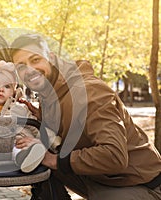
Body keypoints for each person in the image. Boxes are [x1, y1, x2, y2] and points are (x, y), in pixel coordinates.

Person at [10, 33, 161, 200]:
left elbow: (113, 155)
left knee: (47, 159)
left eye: (36, 60)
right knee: (38, 162)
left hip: (137, 184)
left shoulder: (89, 91)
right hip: (101, 178)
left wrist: (53, 159)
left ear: (51, 58)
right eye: (21, 66)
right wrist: (41, 119)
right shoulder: (50, 94)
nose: (29, 70)